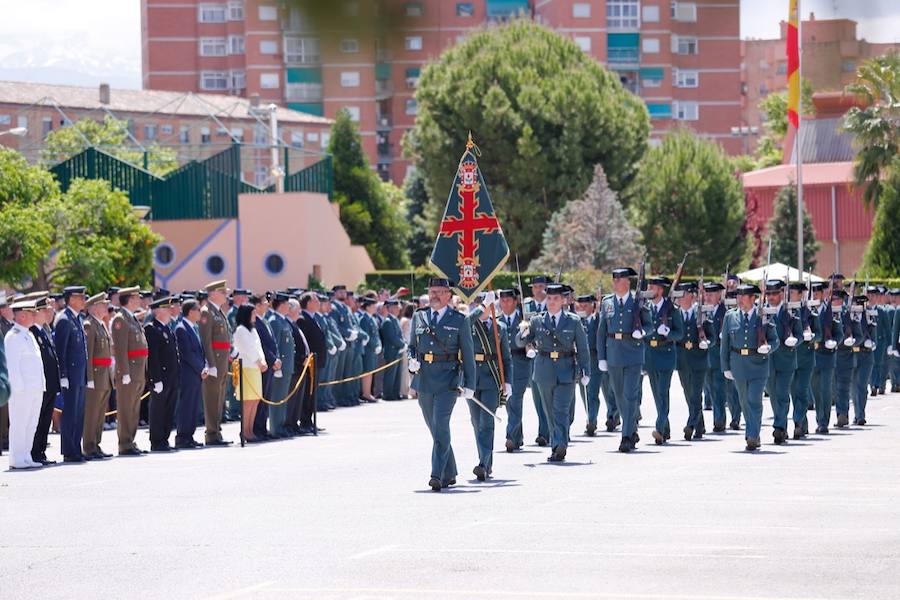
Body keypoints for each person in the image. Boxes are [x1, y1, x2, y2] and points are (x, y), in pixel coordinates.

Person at [407, 277, 476, 492]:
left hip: (448, 380)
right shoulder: (419, 316)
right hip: (424, 379)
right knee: (434, 428)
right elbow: (411, 346)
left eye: (439, 292)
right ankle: (450, 471)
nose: (434, 295)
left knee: (441, 425)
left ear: (449, 295)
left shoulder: (459, 319)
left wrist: (470, 384)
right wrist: (411, 360)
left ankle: (436, 474)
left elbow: (468, 355)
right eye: (432, 291)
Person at [517, 283, 590, 462]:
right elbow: (521, 343)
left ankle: (560, 445)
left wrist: (585, 370)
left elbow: (583, 348)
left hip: (566, 369)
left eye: (555, 299)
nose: (551, 302)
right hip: (544, 370)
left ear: (563, 300)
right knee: (550, 411)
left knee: (561, 410)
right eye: (549, 298)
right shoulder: (536, 320)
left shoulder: (573, 321)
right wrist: (522, 331)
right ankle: (556, 444)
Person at [597, 267, 651, 452]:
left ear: (628, 282)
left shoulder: (639, 301)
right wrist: (602, 357)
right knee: (619, 395)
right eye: (615, 280)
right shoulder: (607, 303)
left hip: (633, 352)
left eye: (621, 280)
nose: (617, 283)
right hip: (613, 353)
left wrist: (642, 332)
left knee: (630, 394)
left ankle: (626, 436)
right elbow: (601, 331)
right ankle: (632, 427)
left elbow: (649, 325)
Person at [720, 283, 780, 451]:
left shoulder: (765, 316)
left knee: (754, 399)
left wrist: (768, 348)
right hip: (738, 364)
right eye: (738, 296)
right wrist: (725, 366)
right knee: (744, 401)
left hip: (758, 364)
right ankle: (753, 432)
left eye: (743, 297)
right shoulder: (730, 317)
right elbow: (725, 343)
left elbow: (775, 340)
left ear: (753, 298)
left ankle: (752, 434)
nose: (739, 300)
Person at [467, 292, 511, 480]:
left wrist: (507, 381)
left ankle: (483, 463)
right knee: (476, 423)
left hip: (492, 379)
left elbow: (506, 358)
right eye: (480, 305)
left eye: (486, 305)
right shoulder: (468, 325)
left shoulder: (499, 327)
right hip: (472, 379)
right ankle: (486, 461)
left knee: (487, 422)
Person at [643, 277, 684, 444]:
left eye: (652, 287)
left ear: (660, 290)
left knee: (662, 391)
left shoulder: (672, 309)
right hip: (650, 354)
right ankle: (665, 430)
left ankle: (659, 427)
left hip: (666, 353)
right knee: (656, 394)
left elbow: (680, 334)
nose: (649, 289)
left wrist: (668, 332)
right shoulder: (645, 309)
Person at [4, 300, 45, 469]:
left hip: (35, 388)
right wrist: (18, 390)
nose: (35, 316)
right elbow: (12, 366)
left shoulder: (28, 334)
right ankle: (16, 458)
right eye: (32, 313)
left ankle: (26, 455)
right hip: (22, 390)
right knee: (19, 424)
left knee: (31, 423)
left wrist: (41, 385)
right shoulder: (13, 337)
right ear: (22, 315)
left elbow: (36, 363)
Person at [111, 287, 150, 456]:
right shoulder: (121, 319)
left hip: (137, 370)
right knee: (126, 409)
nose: (139, 300)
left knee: (134, 408)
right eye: (136, 298)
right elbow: (120, 349)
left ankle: (130, 441)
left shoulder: (131, 318)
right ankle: (124, 443)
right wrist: (124, 372)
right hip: (129, 372)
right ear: (129, 300)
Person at [763, 279, 801, 445]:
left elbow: (799, 334)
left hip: (786, 359)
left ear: (781, 293)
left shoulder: (790, 311)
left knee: (782, 393)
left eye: (774, 293)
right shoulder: (762, 312)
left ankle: (779, 427)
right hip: (768, 360)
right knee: (773, 394)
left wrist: (794, 340)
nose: (771, 297)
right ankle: (782, 424)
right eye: (768, 293)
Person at [53, 286, 89, 463]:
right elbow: (61, 351)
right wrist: (63, 375)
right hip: (70, 376)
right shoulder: (64, 320)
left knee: (79, 413)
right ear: (71, 299)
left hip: (80, 374)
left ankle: (76, 447)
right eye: (80, 297)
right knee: (70, 414)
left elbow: (82, 350)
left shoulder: (77, 319)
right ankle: (69, 450)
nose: (83, 300)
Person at [676, 282, 713, 441]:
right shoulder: (675, 314)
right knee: (688, 393)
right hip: (682, 358)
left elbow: (712, 335)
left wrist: (707, 343)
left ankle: (690, 425)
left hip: (699, 358)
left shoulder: (702, 313)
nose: (678, 298)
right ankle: (700, 425)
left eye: (681, 294)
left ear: (690, 296)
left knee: (696, 393)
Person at [199, 280, 233, 447]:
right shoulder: (206, 312)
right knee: (212, 398)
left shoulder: (218, 312)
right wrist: (210, 363)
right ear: (212, 293)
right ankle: (211, 434)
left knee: (219, 398)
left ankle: (216, 431)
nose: (226, 295)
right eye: (222, 292)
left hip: (222, 360)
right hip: (215, 361)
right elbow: (206, 341)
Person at [144, 296, 181, 452]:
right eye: (166, 308)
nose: (169, 311)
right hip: (161, 377)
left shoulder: (167, 328)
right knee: (158, 410)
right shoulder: (151, 328)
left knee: (169, 409)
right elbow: (153, 357)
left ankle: (164, 439)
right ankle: (157, 440)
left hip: (172, 377)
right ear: (158, 311)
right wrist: (156, 379)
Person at [82, 292, 114, 459]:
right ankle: (88, 446)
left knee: (100, 413)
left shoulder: (100, 324)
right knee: (92, 413)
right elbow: (89, 355)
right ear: (94, 307)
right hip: (95, 375)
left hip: (105, 375)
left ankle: (96, 444)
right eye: (103, 305)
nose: (106, 307)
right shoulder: (89, 325)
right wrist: (89, 378)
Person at [29, 295, 60, 465]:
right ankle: (34, 452)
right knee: (39, 419)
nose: (50, 313)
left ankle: (41, 452)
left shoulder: (44, 330)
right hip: (41, 383)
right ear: (38, 312)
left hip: (50, 383)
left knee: (45, 419)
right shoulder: (33, 331)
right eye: (46, 310)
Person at [787, 282, 819, 439]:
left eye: (792, 292)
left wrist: (811, 336)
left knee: (802, 391)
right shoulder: (787, 310)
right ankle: (802, 424)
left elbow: (819, 334)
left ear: (801, 294)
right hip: (791, 358)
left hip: (806, 358)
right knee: (794, 393)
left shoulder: (810, 311)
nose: (789, 295)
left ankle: (798, 422)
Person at [174, 299, 206, 448]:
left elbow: (199, 351)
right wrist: (201, 368)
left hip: (196, 373)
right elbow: (187, 353)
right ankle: (182, 437)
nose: (200, 313)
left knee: (193, 406)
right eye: (198, 310)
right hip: (188, 373)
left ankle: (189, 436)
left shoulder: (193, 327)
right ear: (191, 312)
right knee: (187, 405)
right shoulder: (181, 328)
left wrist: (203, 367)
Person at [812, 288, 844, 434]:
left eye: (818, 291)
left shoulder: (830, 310)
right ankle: (819, 418)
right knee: (815, 391)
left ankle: (823, 422)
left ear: (824, 293)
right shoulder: (808, 309)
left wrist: (834, 342)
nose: (815, 294)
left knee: (825, 390)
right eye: (813, 291)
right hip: (812, 356)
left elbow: (839, 333)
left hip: (827, 356)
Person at [523, 275, 550, 446]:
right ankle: (543, 431)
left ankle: (552, 430)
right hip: (533, 357)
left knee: (549, 397)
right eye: (535, 287)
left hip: (551, 356)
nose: (538, 289)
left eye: (541, 286)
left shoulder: (553, 303)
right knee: (538, 398)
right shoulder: (527, 306)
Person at [233, 304, 267, 443]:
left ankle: (250, 430)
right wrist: (259, 361)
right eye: (252, 313)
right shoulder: (241, 330)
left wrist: (262, 361)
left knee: (255, 399)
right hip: (247, 367)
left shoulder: (252, 330)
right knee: (248, 401)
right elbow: (247, 348)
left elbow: (258, 347)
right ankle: (244, 431)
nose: (255, 316)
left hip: (256, 368)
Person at [266, 292, 296, 437]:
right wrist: (276, 365)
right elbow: (275, 345)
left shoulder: (283, 320)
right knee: (277, 397)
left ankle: (281, 425)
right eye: (287, 304)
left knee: (283, 397)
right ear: (281, 305)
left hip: (286, 365)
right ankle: (275, 428)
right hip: (280, 366)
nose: (289, 307)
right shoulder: (274, 321)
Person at [703, 282, 730, 432]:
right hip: (705, 356)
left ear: (719, 295)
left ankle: (719, 420)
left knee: (719, 389)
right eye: (707, 294)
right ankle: (717, 417)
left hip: (719, 355)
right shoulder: (703, 311)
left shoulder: (725, 312)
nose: (708, 297)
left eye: (711, 294)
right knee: (710, 389)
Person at [251, 293, 278, 439]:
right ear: (257, 306)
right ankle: (257, 428)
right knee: (260, 399)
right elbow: (262, 345)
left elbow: (273, 343)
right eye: (264, 302)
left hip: (270, 364)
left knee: (266, 397)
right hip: (264, 364)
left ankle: (262, 427)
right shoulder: (255, 323)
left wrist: (276, 358)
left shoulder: (265, 321)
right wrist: (273, 359)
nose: (267, 304)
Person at [851, 293, 877, 425]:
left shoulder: (870, 316)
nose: (860, 306)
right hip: (854, 354)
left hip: (866, 355)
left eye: (862, 304)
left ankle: (860, 414)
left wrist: (871, 342)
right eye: (858, 303)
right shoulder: (851, 317)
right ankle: (857, 413)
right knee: (853, 386)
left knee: (861, 385)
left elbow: (874, 337)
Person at [380, 299, 406, 401]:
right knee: (390, 374)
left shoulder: (394, 320)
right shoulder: (388, 321)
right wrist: (402, 344)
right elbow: (392, 337)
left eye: (398, 307)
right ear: (389, 308)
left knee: (397, 374)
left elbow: (399, 335)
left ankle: (395, 393)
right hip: (391, 351)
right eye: (395, 307)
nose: (398, 309)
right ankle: (387, 394)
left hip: (397, 350)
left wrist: (403, 344)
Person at [358, 297, 381, 402]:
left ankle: (368, 392)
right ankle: (366, 393)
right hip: (368, 349)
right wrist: (374, 345)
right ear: (367, 307)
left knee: (370, 371)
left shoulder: (372, 318)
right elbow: (366, 335)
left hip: (372, 349)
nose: (375, 308)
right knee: (367, 371)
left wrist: (378, 345)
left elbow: (376, 335)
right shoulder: (364, 319)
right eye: (373, 306)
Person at [399, 303, 415, 399]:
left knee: (413, 370)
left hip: (412, 347)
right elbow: (403, 334)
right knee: (405, 371)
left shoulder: (413, 320)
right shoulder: (405, 320)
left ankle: (413, 391)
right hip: (406, 347)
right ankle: (404, 391)